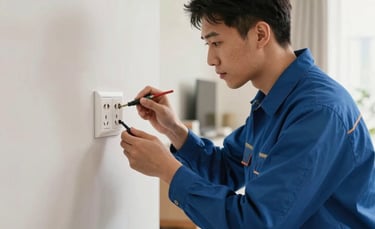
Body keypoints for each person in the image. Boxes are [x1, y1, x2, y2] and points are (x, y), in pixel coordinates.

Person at [120, 0, 375, 228]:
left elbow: (255, 222)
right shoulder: (273, 101)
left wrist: (167, 169)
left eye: (217, 42)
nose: (211, 59)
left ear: (260, 34)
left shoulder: (317, 112)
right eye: (208, 44)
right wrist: (173, 129)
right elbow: (226, 170)